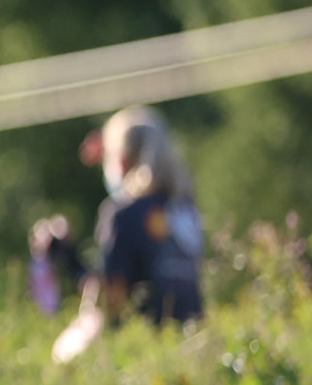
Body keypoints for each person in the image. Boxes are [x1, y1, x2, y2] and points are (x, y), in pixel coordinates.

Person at [49, 105, 203, 364]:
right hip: (194, 346)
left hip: (144, 355)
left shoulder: (122, 214)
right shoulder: (184, 210)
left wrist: (67, 258)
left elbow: (111, 302)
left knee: (63, 353)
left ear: (121, 160)